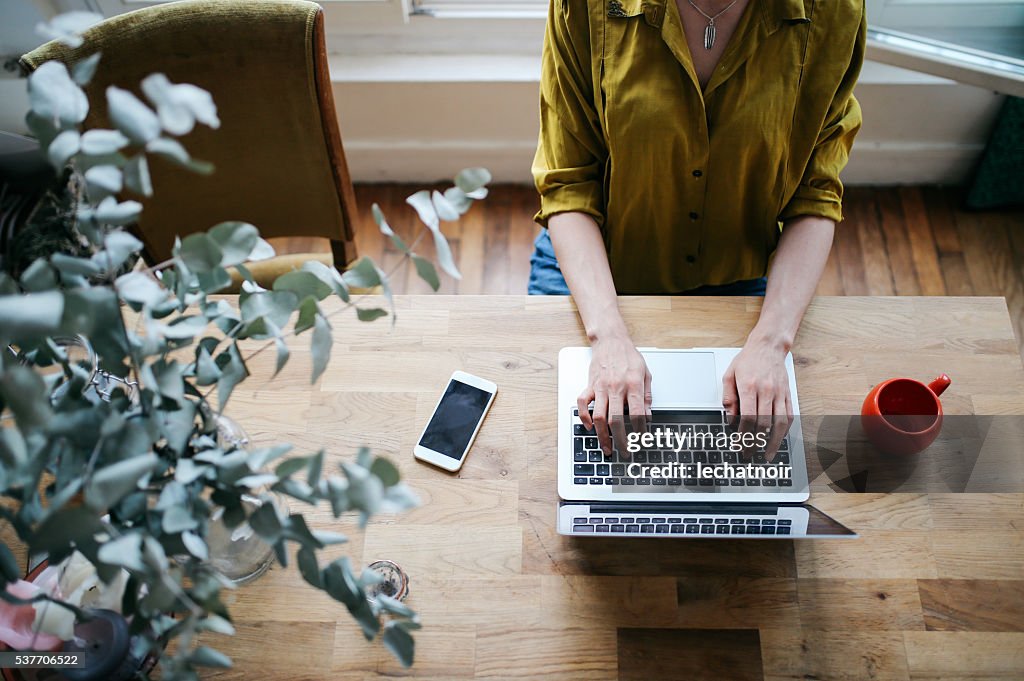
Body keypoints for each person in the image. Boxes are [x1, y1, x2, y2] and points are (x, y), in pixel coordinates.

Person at [530, 0, 865, 453]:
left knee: (742, 471)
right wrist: (607, 338)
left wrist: (771, 343)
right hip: (594, 269)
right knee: (551, 447)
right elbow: (569, 184)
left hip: (739, 279)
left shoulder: (835, 10)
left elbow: (816, 192)